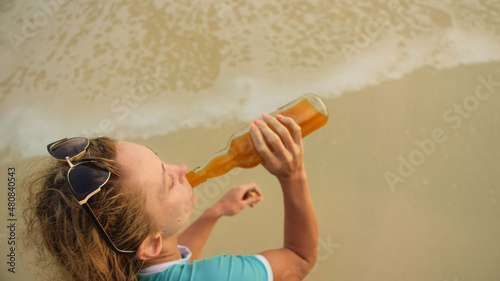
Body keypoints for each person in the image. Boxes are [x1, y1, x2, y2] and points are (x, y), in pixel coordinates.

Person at [23, 113, 318, 281]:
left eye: (161, 161)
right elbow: (300, 259)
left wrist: (213, 213)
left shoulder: (115, 262)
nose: (182, 169)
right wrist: (293, 176)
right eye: (168, 182)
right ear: (149, 244)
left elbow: (168, 258)